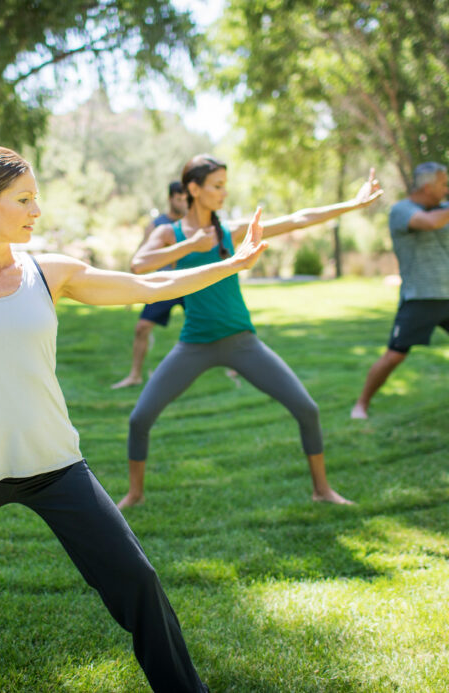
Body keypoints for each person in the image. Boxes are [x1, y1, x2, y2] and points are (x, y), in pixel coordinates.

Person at [0, 146, 267, 693]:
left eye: (36, 198)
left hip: (56, 465)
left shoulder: (48, 272)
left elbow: (148, 286)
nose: (37, 210)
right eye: (25, 199)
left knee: (138, 583)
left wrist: (231, 263)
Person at [118, 154, 383, 510]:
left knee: (307, 409)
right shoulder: (170, 232)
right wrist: (190, 246)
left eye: (225, 185)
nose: (224, 192)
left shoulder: (231, 231)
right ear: (193, 189)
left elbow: (297, 219)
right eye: (217, 186)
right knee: (139, 419)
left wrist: (353, 203)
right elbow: (139, 264)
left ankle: (322, 489)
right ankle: (135, 494)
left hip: (242, 342)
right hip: (194, 344)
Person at [351, 161, 449, 419]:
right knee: (394, 357)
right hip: (420, 297)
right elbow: (428, 223)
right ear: (427, 186)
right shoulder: (401, 211)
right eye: (443, 184)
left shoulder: (445, 209)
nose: (447, 189)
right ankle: (361, 404)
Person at [111, 181, 188, 388]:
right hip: (164, 285)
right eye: (179, 199)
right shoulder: (157, 225)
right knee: (142, 328)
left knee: (212, 323)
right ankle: (135, 375)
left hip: (190, 284)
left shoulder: (192, 223)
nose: (183, 203)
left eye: (185, 199)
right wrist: (130, 287)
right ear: (170, 199)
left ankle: (232, 367)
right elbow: (141, 257)